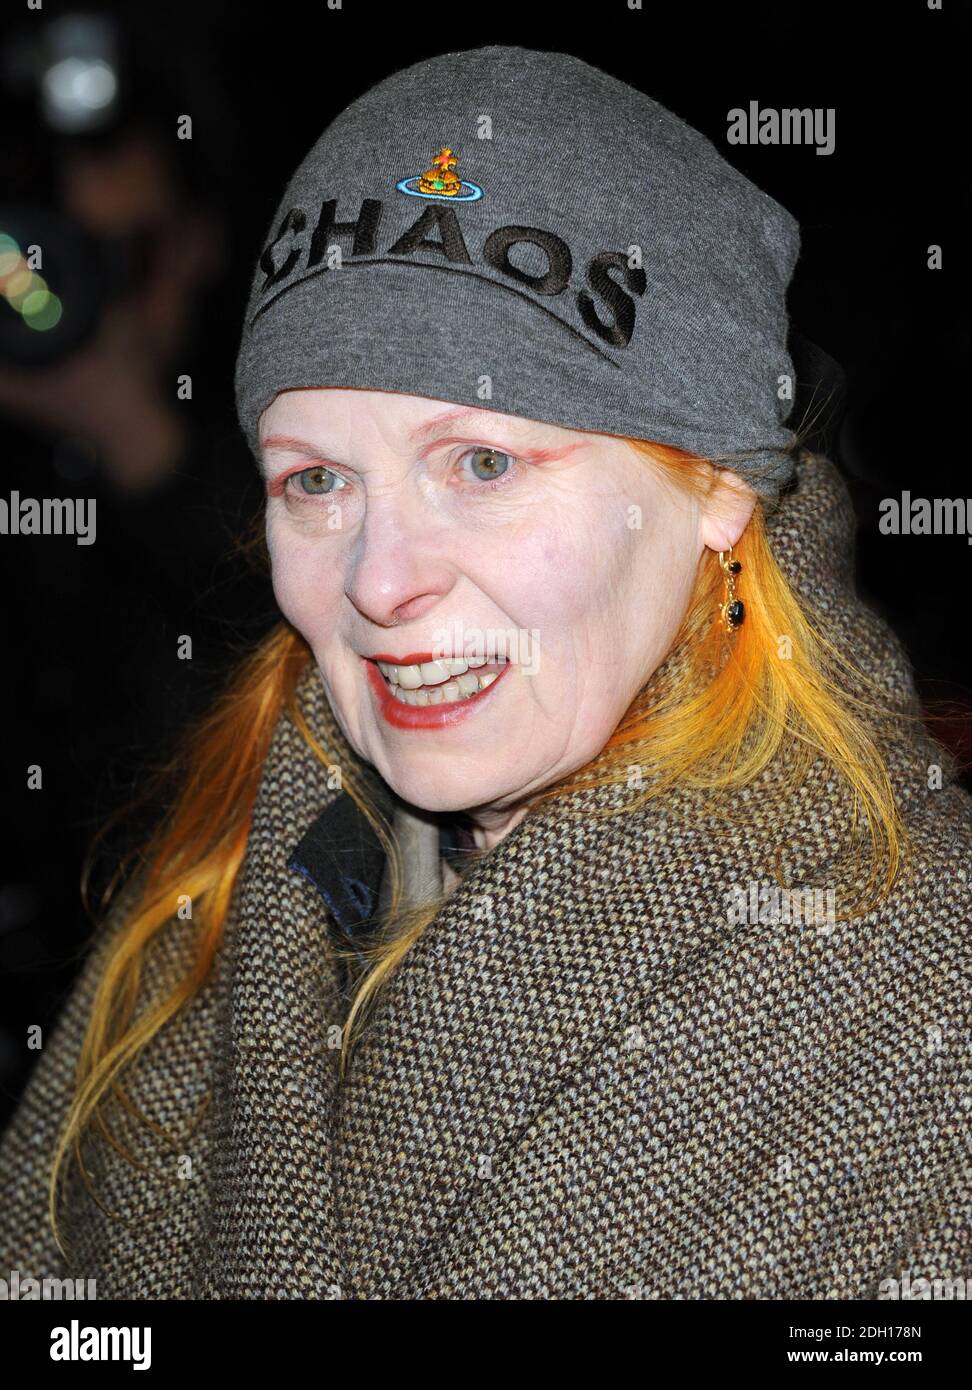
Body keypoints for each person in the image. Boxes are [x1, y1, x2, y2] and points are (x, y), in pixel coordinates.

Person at [1, 45, 969, 1301]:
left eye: (484, 465)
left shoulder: (925, 998)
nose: (380, 579)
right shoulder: (211, 904)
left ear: (718, 484)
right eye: (317, 480)